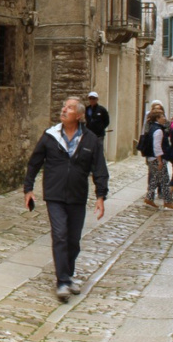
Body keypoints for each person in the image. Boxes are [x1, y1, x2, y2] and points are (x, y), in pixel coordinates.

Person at [24, 97, 109, 302]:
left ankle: (68, 275)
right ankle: (62, 281)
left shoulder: (90, 140)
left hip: (77, 196)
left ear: (79, 115)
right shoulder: (50, 136)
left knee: (73, 240)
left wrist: (100, 196)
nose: (64, 110)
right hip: (54, 194)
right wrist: (28, 189)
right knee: (60, 235)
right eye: (64, 106)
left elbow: (99, 168)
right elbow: (34, 163)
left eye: (70, 108)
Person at [142, 110, 173, 210]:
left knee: (155, 178)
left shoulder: (152, 127)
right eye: (162, 116)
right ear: (157, 118)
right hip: (156, 158)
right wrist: (160, 161)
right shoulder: (158, 130)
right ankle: (167, 201)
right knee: (165, 180)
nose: (164, 118)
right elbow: (157, 146)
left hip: (151, 158)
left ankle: (149, 197)